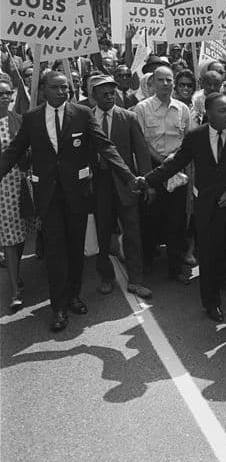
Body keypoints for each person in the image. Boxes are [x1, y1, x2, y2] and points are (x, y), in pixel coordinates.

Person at [0, 71, 136, 331]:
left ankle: (74, 295)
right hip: (48, 197)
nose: (63, 92)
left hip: (77, 195)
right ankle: (58, 307)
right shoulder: (32, 119)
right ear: (43, 90)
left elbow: (105, 147)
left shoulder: (82, 115)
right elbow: (14, 152)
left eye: (66, 88)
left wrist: (128, 176)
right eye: (56, 87)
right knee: (54, 252)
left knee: (76, 248)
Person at [136, 93, 226, 328]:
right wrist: (148, 180)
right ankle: (211, 304)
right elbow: (175, 163)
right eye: (222, 110)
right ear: (208, 114)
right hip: (208, 210)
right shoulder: (196, 137)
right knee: (209, 260)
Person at [89, 75, 153, 298]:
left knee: (132, 233)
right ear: (93, 95)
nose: (109, 97)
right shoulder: (85, 118)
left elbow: (141, 153)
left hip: (127, 184)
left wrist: (147, 182)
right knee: (103, 233)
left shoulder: (128, 117)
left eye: (112, 93)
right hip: (99, 183)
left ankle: (136, 280)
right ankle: (106, 277)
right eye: (104, 94)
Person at [133, 66, 192, 283]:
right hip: (153, 172)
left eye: (169, 80)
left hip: (177, 173)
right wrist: (162, 162)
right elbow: (141, 142)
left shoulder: (182, 108)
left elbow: (187, 139)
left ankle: (175, 267)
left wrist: (175, 161)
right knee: (150, 219)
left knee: (176, 222)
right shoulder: (142, 108)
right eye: (160, 80)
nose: (165, 84)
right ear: (151, 84)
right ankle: (147, 262)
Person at [0, 79, 32, 311]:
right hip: (2, 189)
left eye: (6, 93)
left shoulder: (18, 120)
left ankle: (16, 269)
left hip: (19, 185)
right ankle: (14, 290)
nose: (3, 97)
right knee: (10, 239)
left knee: (19, 236)